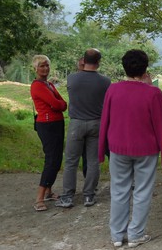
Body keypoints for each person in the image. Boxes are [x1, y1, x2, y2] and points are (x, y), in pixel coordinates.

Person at [98, 49, 162, 248]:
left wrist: (102, 146)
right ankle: (136, 233)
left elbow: (105, 120)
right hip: (146, 148)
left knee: (119, 190)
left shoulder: (113, 89)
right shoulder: (154, 93)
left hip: (118, 147)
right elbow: (160, 123)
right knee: (143, 191)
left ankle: (117, 236)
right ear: (146, 69)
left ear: (124, 67)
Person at [57, 49, 111, 209]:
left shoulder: (72, 78)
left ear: (83, 61)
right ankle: (89, 195)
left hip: (77, 123)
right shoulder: (105, 81)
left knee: (71, 161)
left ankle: (67, 197)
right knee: (93, 160)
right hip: (97, 123)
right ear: (99, 62)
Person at [30, 55, 68, 212]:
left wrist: (58, 105)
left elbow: (63, 104)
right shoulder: (38, 86)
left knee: (57, 158)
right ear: (35, 68)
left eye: (46, 65)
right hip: (47, 125)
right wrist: (57, 105)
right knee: (52, 160)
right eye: (41, 66)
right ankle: (39, 198)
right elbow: (56, 103)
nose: (45, 69)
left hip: (56, 123)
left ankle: (48, 191)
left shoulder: (50, 85)